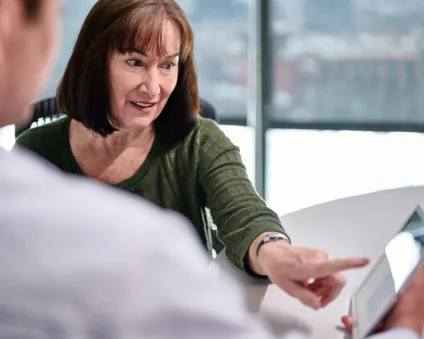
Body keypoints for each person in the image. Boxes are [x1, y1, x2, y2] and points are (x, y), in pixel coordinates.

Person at [1, 1, 424, 338]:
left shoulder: (198, 140)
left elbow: (244, 213)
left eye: (168, 64)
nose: (154, 87)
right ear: (95, 63)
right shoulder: (34, 151)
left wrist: (276, 253)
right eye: (134, 62)